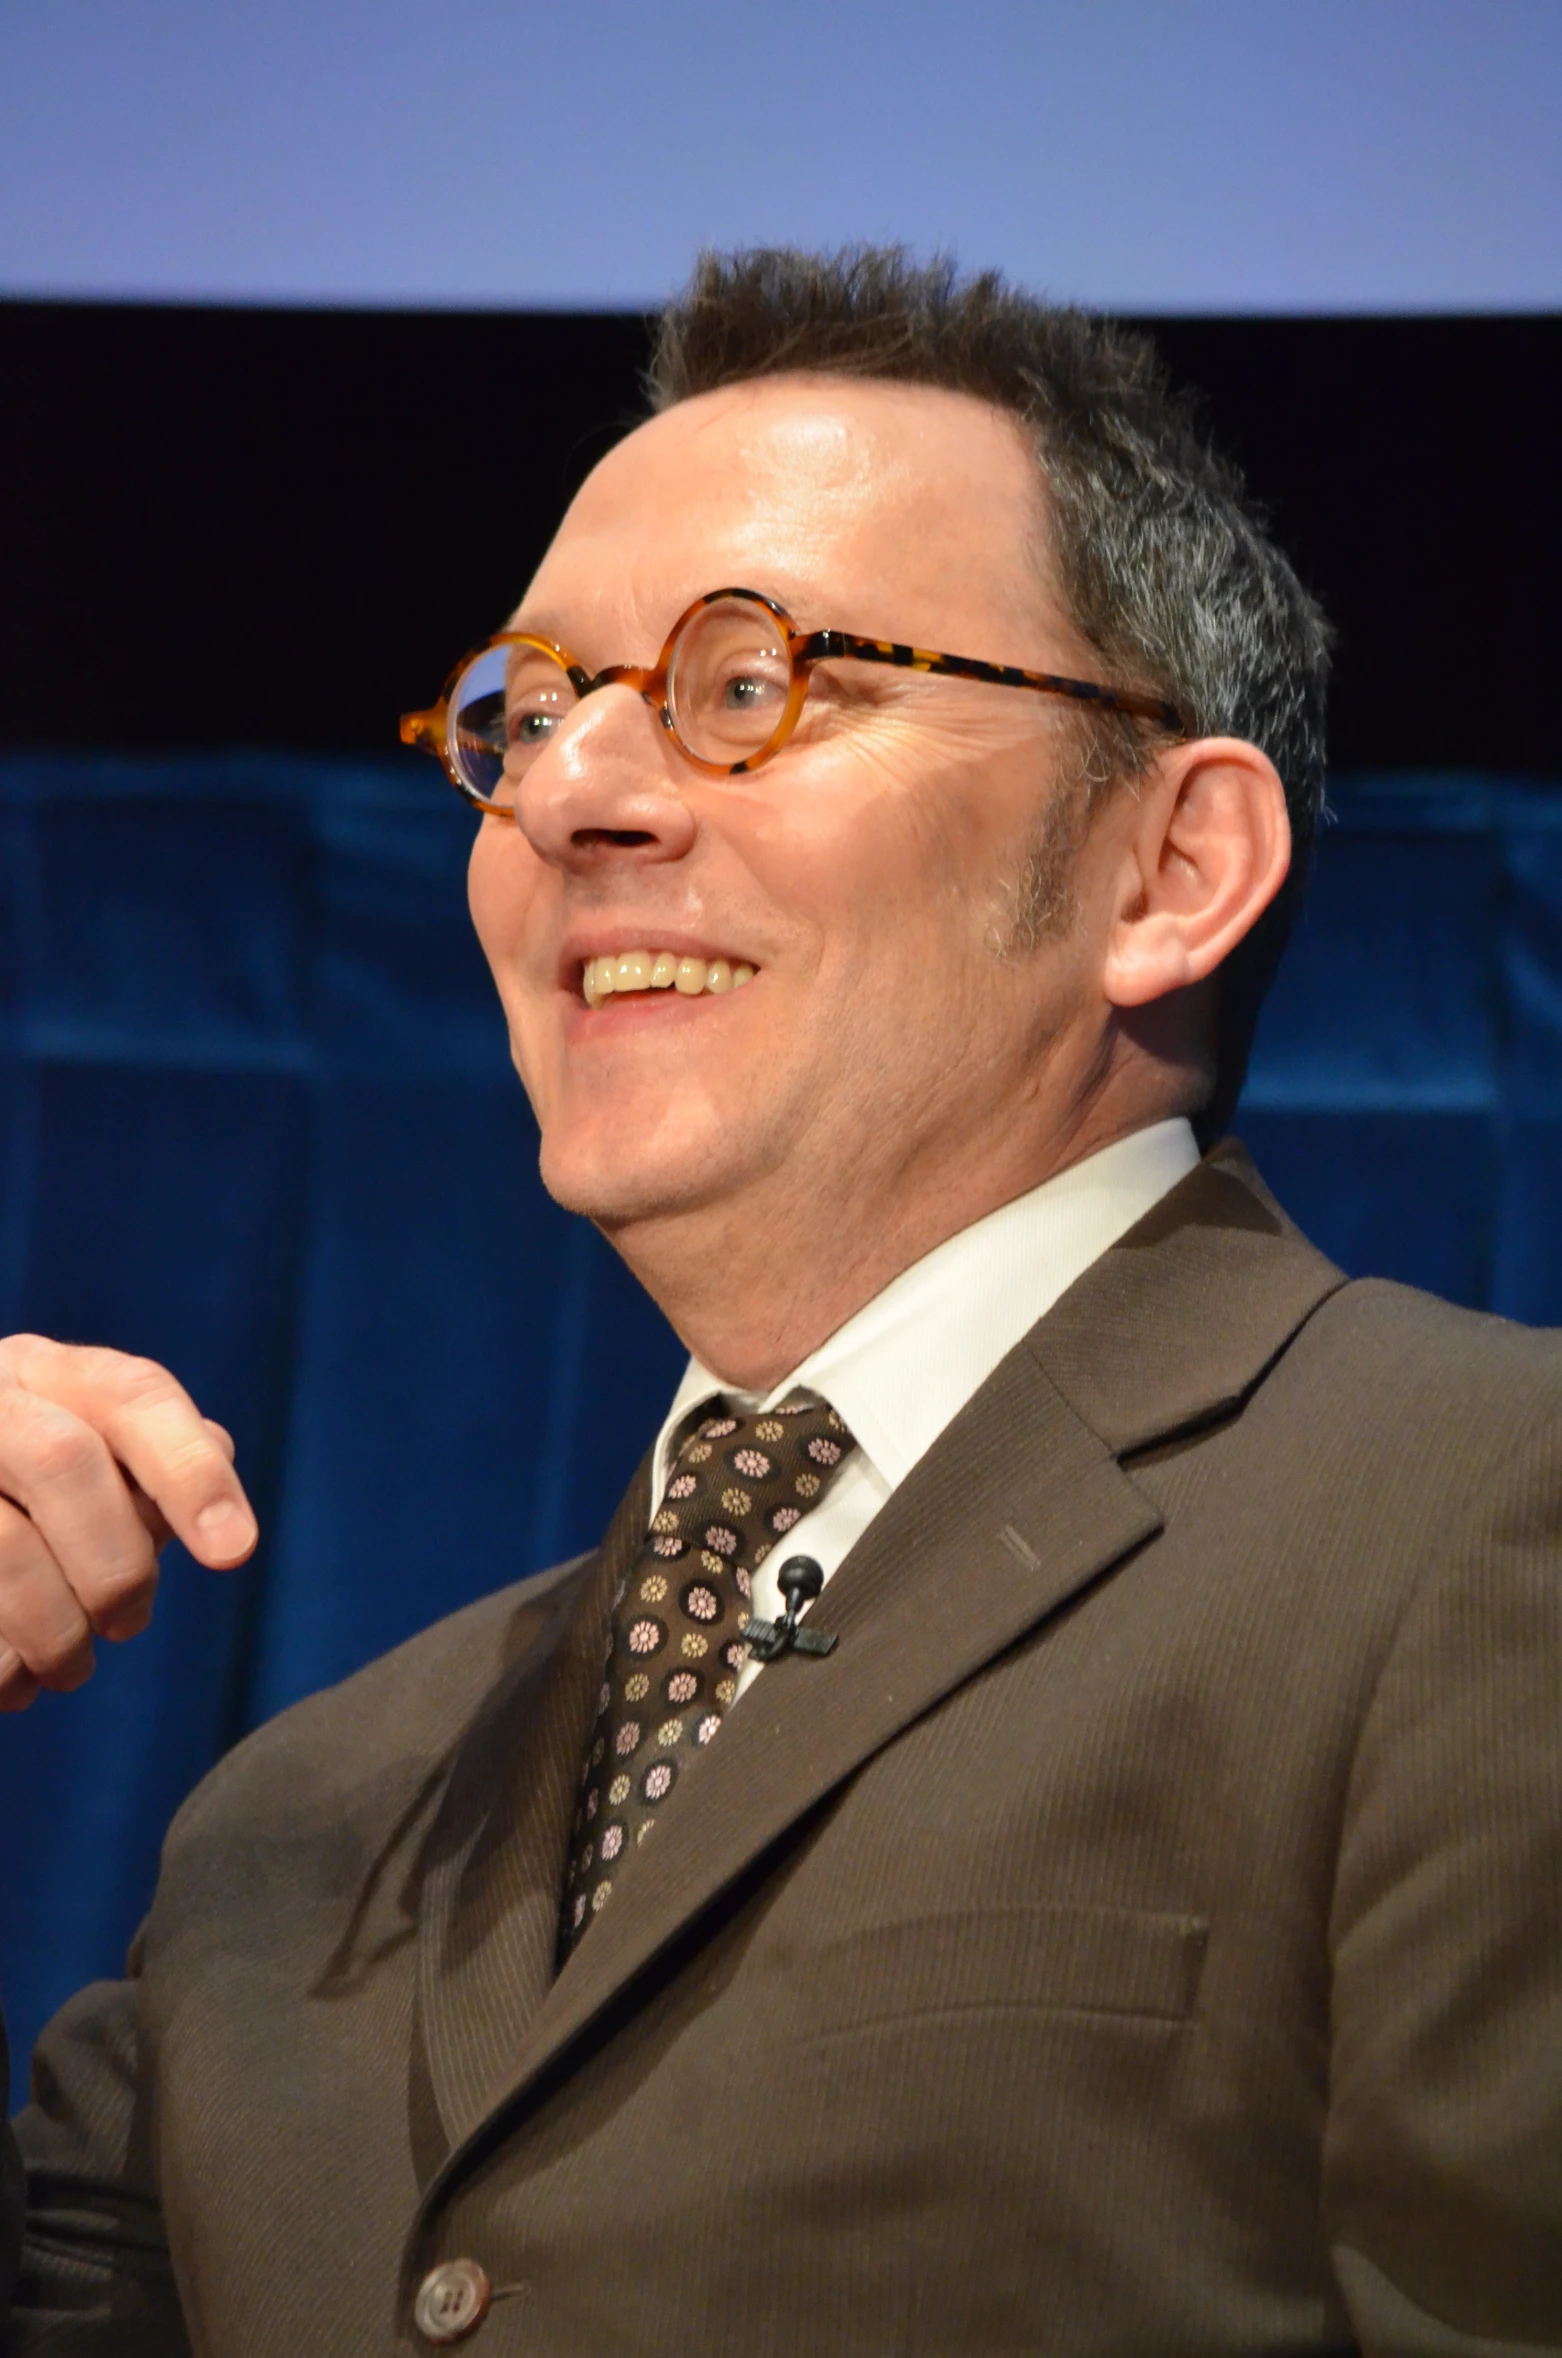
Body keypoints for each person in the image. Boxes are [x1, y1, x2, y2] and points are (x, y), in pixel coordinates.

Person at [1, 247, 1558, 2356]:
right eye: (526, 713)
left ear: (1168, 869)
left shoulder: (1479, 1525)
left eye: (753, 687)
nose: (568, 794)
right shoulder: (313, 1810)